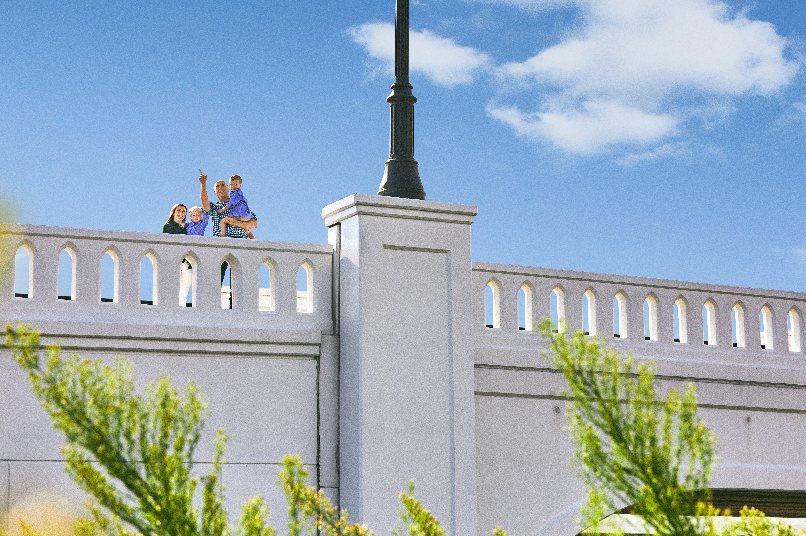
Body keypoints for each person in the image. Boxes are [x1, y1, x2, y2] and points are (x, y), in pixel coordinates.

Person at [218, 175, 257, 239]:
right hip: (243, 217)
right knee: (246, 229)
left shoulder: (237, 194)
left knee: (223, 221)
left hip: (241, 216)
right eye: (231, 184)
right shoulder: (236, 193)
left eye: (235, 184)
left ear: (240, 185)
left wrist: (222, 210)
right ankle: (253, 239)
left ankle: (222, 237)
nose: (233, 186)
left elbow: (231, 204)